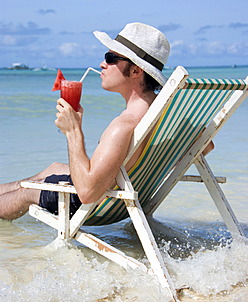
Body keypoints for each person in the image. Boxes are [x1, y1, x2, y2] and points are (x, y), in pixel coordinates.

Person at [0, 22, 213, 221]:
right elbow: (207, 145)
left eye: (111, 58)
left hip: (99, 205)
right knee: (52, 169)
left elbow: (87, 193)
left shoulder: (125, 124)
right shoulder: (164, 114)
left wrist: (73, 131)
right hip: (123, 193)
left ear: (136, 71)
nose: (103, 63)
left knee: (28, 190)